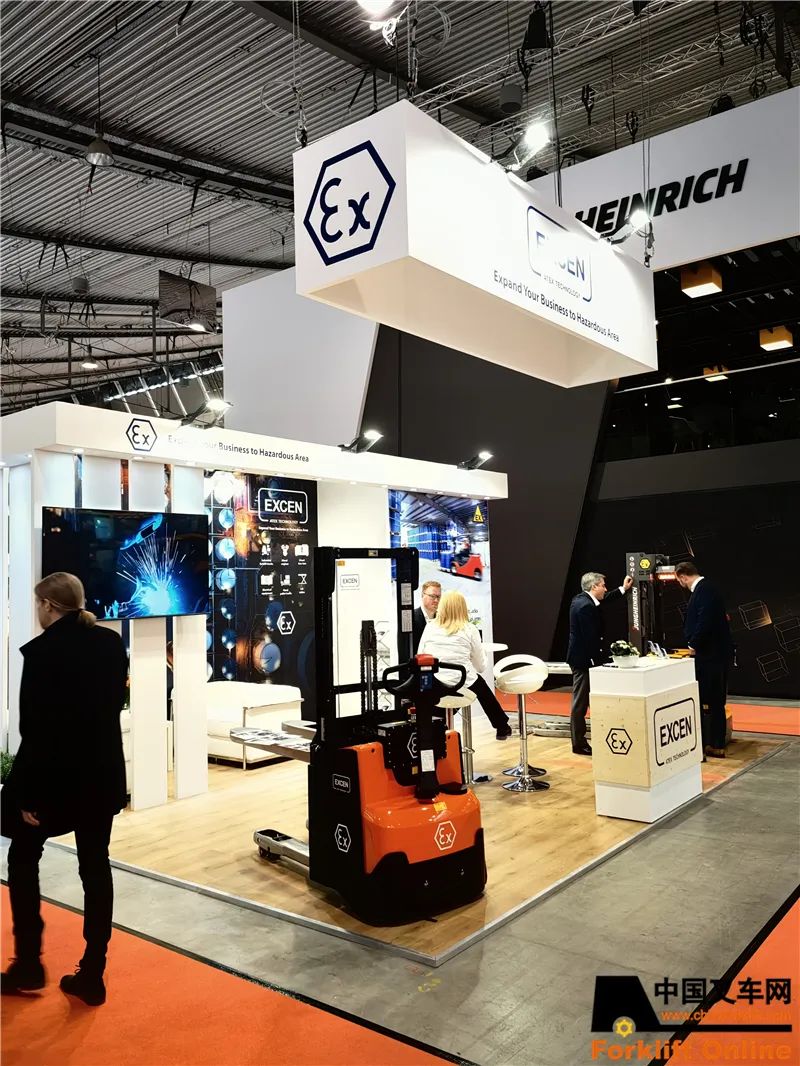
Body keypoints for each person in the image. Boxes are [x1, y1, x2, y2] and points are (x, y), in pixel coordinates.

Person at [1, 572, 129, 1007]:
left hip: (54, 782)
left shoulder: (42, 653)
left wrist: (27, 795)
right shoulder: (110, 644)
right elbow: (111, 708)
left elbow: (35, 732)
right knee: (95, 867)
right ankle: (93, 972)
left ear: (49, 606)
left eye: (38, 604)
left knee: (22, 858)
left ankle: (28, 963)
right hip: (101, 777)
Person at [418, 590, 512, 739]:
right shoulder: (469, 629)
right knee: (479, 685)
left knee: (445, 695)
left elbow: (420, 655)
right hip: (461, 682)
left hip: (435, 684)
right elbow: (481, 667)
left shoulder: (430, 627)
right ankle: (501, 726)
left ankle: (438, 728)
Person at [566, 571, 633, 755]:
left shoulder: (582, 599)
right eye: (603, 585)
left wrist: (623, 589)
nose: (605, 589)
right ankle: (579, 744)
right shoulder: (585, 607)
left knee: (584, 702)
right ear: (594, 586)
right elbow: (590, 639)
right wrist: (597, 662)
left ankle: (584, 740)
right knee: (580, 704)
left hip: (585, 659)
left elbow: (604, 598)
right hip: (584, 661)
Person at [675, 561, 734, 758]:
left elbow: (705, 621)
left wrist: (693, 644)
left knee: (713, 700)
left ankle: (712, 743)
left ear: (683, 576)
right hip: (712, 655)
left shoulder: (704, 590)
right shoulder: (706, 589)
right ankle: (710, 742)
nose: (681, 584)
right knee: (712, 700)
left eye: (679, 581)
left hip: (710, 656)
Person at [412, 580, 441, 652]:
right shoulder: (412, 618)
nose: (436, 600)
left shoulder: (443, 619)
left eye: (438, 597)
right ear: (422, 595)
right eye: (432, 596)